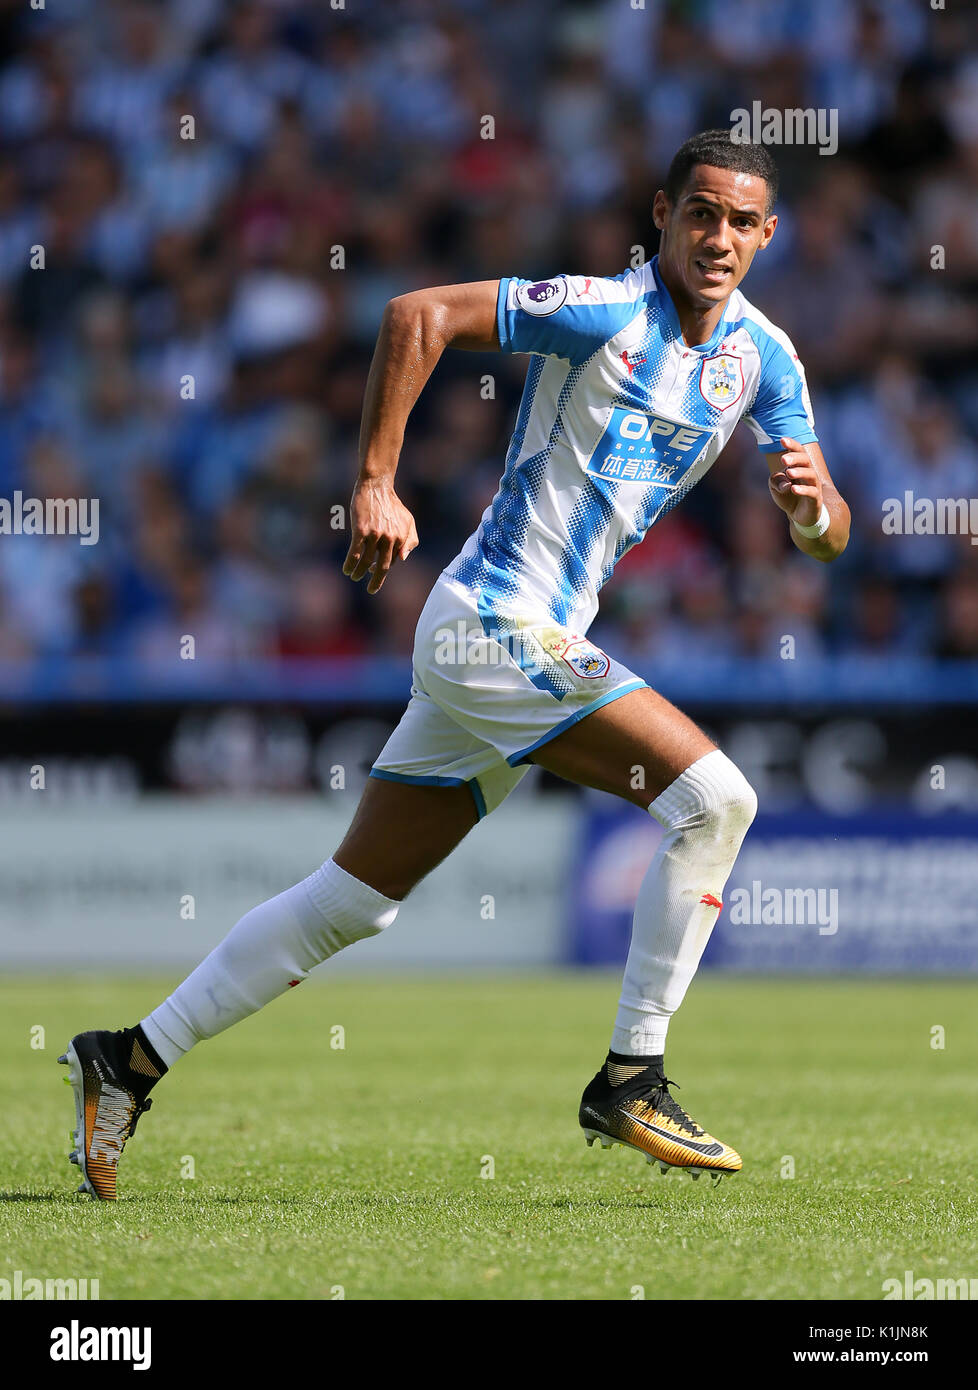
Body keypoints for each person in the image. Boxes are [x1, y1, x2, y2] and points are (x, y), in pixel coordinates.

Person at [61, 130, 850, 1199]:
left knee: (354, 900)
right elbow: (414, 314)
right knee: (715, 803)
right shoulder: (604, 309)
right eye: (698, 212)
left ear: (767, 234)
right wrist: (378, 483)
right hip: (493, 623)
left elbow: (830, 534)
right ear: (661, 217)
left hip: (519, 642)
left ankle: (128, 1058)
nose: (717, 236)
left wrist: (813, 514)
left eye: (739, 220)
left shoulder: (765, 357)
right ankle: (632, 1076)